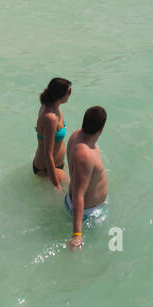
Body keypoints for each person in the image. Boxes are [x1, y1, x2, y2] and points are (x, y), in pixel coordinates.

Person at [66, 106, 108, 249]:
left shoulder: (76, 136)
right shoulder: (85, 155)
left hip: (82, 207)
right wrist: (77, 235)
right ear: (101, 130)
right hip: (87, 215)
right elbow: (79, 195)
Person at [33, 76, 72, 186]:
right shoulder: (50, 118)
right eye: (69, 91)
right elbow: (47, 154)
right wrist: (57, 185)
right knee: (73, 191)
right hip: (46, 169)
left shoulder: (53, 106)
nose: (70, 94)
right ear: (60, 94)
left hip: (55, 166)